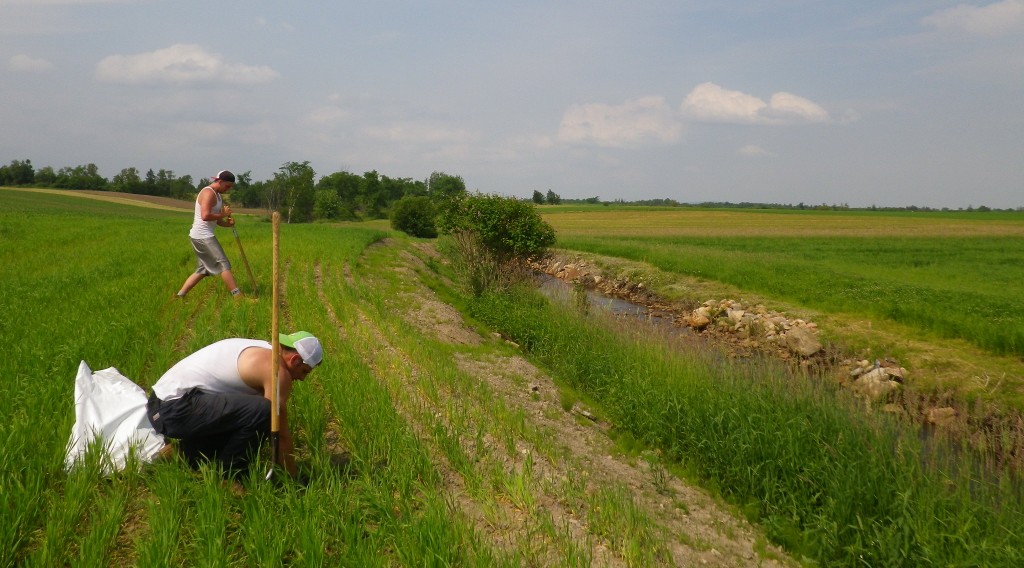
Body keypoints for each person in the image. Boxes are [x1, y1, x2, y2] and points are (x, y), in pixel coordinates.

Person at [146, 331, 323, 479]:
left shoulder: (263, 348)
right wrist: (292, 479)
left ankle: (182, 453)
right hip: (174, 409)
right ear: (295, 360)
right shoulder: (277, 372)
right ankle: (230, 475)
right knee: (263, 412)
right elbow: (279, 432)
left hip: (160, 403)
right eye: (304, 372)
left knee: (248, 416)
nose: (301, 378)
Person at [176, 170, 242, 298]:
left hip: (202, 235)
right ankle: (238, 296)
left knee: (203, 269)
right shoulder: (208, 193)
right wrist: (224, 214)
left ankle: (180, 295)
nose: (228, 189)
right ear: (220, 181)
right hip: (202, 236)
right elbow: (205, 216)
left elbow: (216, 220)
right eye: (227, 186)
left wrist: (228, 223)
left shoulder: (218, 196)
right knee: (223, 263)